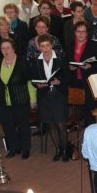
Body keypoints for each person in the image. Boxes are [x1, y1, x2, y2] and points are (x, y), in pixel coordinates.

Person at [0, 39, 36, 159]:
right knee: (7, 125)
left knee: (23, 125)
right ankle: (14, 147)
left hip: (21, 100)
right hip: (3, 101)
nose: (5, 51)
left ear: (13, 49)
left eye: (8, 48)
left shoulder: (22, 62)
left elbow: (29, 82)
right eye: (3, 48)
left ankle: (26, 148)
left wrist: (33, 99)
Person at [30, 34, 69, 162]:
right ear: (39, 47)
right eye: (42, 46)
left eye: (47, 45)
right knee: (51, 124)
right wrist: (38, 84)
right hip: (44, 96)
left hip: (58, 95)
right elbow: (33, 79)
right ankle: (58, 149)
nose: (45, 49)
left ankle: (65, 149)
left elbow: (67, 76)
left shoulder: (60, 58)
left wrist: (60, 82)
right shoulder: (36, 61)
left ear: (51, 45)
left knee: (61, 124)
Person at [65, 21, 97, 125]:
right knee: (80, 106)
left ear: (87, 33)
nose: (81, 34)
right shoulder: (70, 45)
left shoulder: (94, 45)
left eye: (83, 31)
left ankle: (91, 126)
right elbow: (65, 62)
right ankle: (83, 123)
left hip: (89, 80)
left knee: (89, 106)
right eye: (79, 31)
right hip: (74, 80)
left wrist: (90, 65)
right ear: (75, 32)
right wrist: (70, 67)